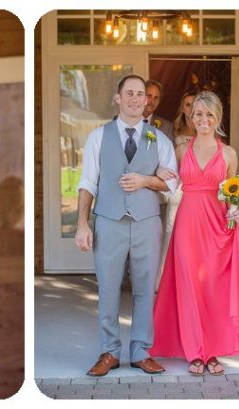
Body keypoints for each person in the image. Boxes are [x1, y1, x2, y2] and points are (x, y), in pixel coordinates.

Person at [150, 91, 239, 376]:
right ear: (190, 115)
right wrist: (160, 169)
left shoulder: (229, 154)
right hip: (187, 223)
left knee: (213, 288)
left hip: (218, 227)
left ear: (218, 118)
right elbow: (167, 181)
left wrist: (236, 209)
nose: (203, 119)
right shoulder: (181, 150)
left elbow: (233, 193)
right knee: (189, 285)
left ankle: (211, 351)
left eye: (209, 114)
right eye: (198, 113)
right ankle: (194, 351)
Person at [74, 75, 177, 377]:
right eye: (129, 93)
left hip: (146, 223)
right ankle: (110, 352)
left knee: (146, 289)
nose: (135, 99)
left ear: (147, 100)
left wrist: (147, 180)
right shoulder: (98, 136)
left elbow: (171, 184)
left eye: (141, 94)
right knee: (107, 288)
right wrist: (82, 223)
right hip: (108, 221)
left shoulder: (158, 138)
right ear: (118, 98)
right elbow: (87, 183)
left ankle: (141, 351)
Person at [158, 91, 199, 289]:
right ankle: (165, 281)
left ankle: (192, 279)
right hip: (179, 186)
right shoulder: (173, 129)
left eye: (194, 104)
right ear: (183, 107)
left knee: (194, 237)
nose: (191, 109)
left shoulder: (205, 128)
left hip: (198, 188)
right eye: (187, 104)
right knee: (171, 231)